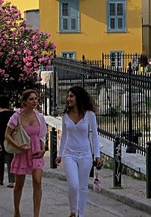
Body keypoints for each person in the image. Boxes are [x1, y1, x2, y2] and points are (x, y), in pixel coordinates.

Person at [56, 86, 101, 217]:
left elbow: (94, 136)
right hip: (69, 154)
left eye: (71, 96)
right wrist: (59, 154)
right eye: (68, 96)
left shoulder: (90, 115)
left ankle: (80, 214)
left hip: (85, 155)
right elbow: (64, 135)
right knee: (73, 185)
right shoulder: (65, 116)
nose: (68, 99)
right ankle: (72, 211)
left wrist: (97, 155)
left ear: (78, 98)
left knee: (82, 186)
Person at [5, 89, 47, 217]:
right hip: (22, 152)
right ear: (24, 102)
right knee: (19, 184)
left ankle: (36, 214)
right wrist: (18, 146)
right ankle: (17, 210)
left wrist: (43, 149)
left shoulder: (39, 116)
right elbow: (7, 135)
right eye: (31, 99)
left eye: (36, 99)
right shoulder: (17, 116)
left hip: (36, 153)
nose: (34, 101)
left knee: (37, 181)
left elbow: (43, 136)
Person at [0, 95, 15, 187]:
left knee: (0, 160)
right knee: (10, 160)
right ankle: (12, 180)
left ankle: (0, 178)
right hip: (11, 139)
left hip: (1, 140)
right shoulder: (13, 114)